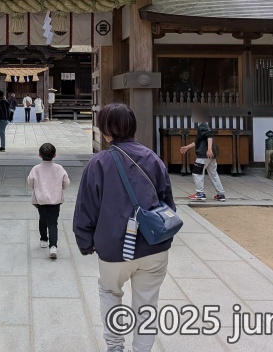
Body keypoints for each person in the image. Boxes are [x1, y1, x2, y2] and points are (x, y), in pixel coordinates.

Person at [74, 103, 174, 352]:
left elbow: (86, 208)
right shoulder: (154, 159)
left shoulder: (99, 163)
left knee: (110, 294)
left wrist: (86, 243)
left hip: (114, 246)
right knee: (147, 303)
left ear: (106, 129)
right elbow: (167, 202)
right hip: (153, 246)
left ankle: (115, 346)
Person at [27, 142, 70, 259]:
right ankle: (53, 246)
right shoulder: (59, 168)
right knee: (53, 222)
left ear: (39, 155)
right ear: (54, 155)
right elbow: (66, 183)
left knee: (42, 219)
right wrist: (60, 188)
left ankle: (43, 239)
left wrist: (36, 188)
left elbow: (30, 183)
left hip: (41, 200)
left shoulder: (36, 169)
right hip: (55, 200)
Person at [179, 106, 226, 201]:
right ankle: (220, 194)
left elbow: (209, 136)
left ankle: (200, 193)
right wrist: (187, 147)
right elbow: (199, 141)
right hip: (211, 155)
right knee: (213, 173)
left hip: (204, 154)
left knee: (197, 173)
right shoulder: (205, 125)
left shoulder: (202, 125)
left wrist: (209, 149)